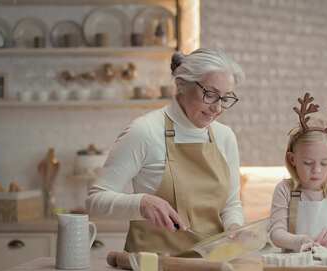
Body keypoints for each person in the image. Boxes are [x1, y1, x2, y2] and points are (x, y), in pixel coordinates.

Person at [86, 48, 245, 256]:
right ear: (181, 85)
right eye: (210, 94)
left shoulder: (225, 137)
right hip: (153, 270)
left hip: (210, 266)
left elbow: (231, 204)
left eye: (225, 98)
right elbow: (95, 201)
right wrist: (141, 203)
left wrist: (234, 228)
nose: (217, 108)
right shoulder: (145, 131)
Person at [268, 93, 327, 252]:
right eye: (308, 163)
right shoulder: (285, 190)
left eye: (324, 163)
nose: (316, 170)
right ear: (292, 160)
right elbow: (276, 234)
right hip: (294, 268)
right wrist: (300, 241)